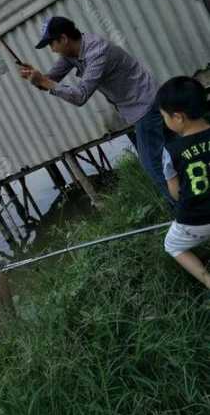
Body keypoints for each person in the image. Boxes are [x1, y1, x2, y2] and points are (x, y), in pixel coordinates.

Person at [19, 16, 170, 199]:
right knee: (170, 155)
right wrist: (34, 77)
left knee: (153, 165)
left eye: (52, 44)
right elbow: (51, 81)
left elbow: (80, 96)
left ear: (64, 39)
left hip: (146, 104)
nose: (52, 50)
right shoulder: (71, 54)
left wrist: (43, 81)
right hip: (136, 108)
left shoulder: (97, 51)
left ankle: (185, 215)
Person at [158, 76, 210, 290]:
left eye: (164, 116)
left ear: (178, 117)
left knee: (172, 244)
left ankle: (207, 279)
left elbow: (176, 193)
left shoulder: (171, 151)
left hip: (196, 219)